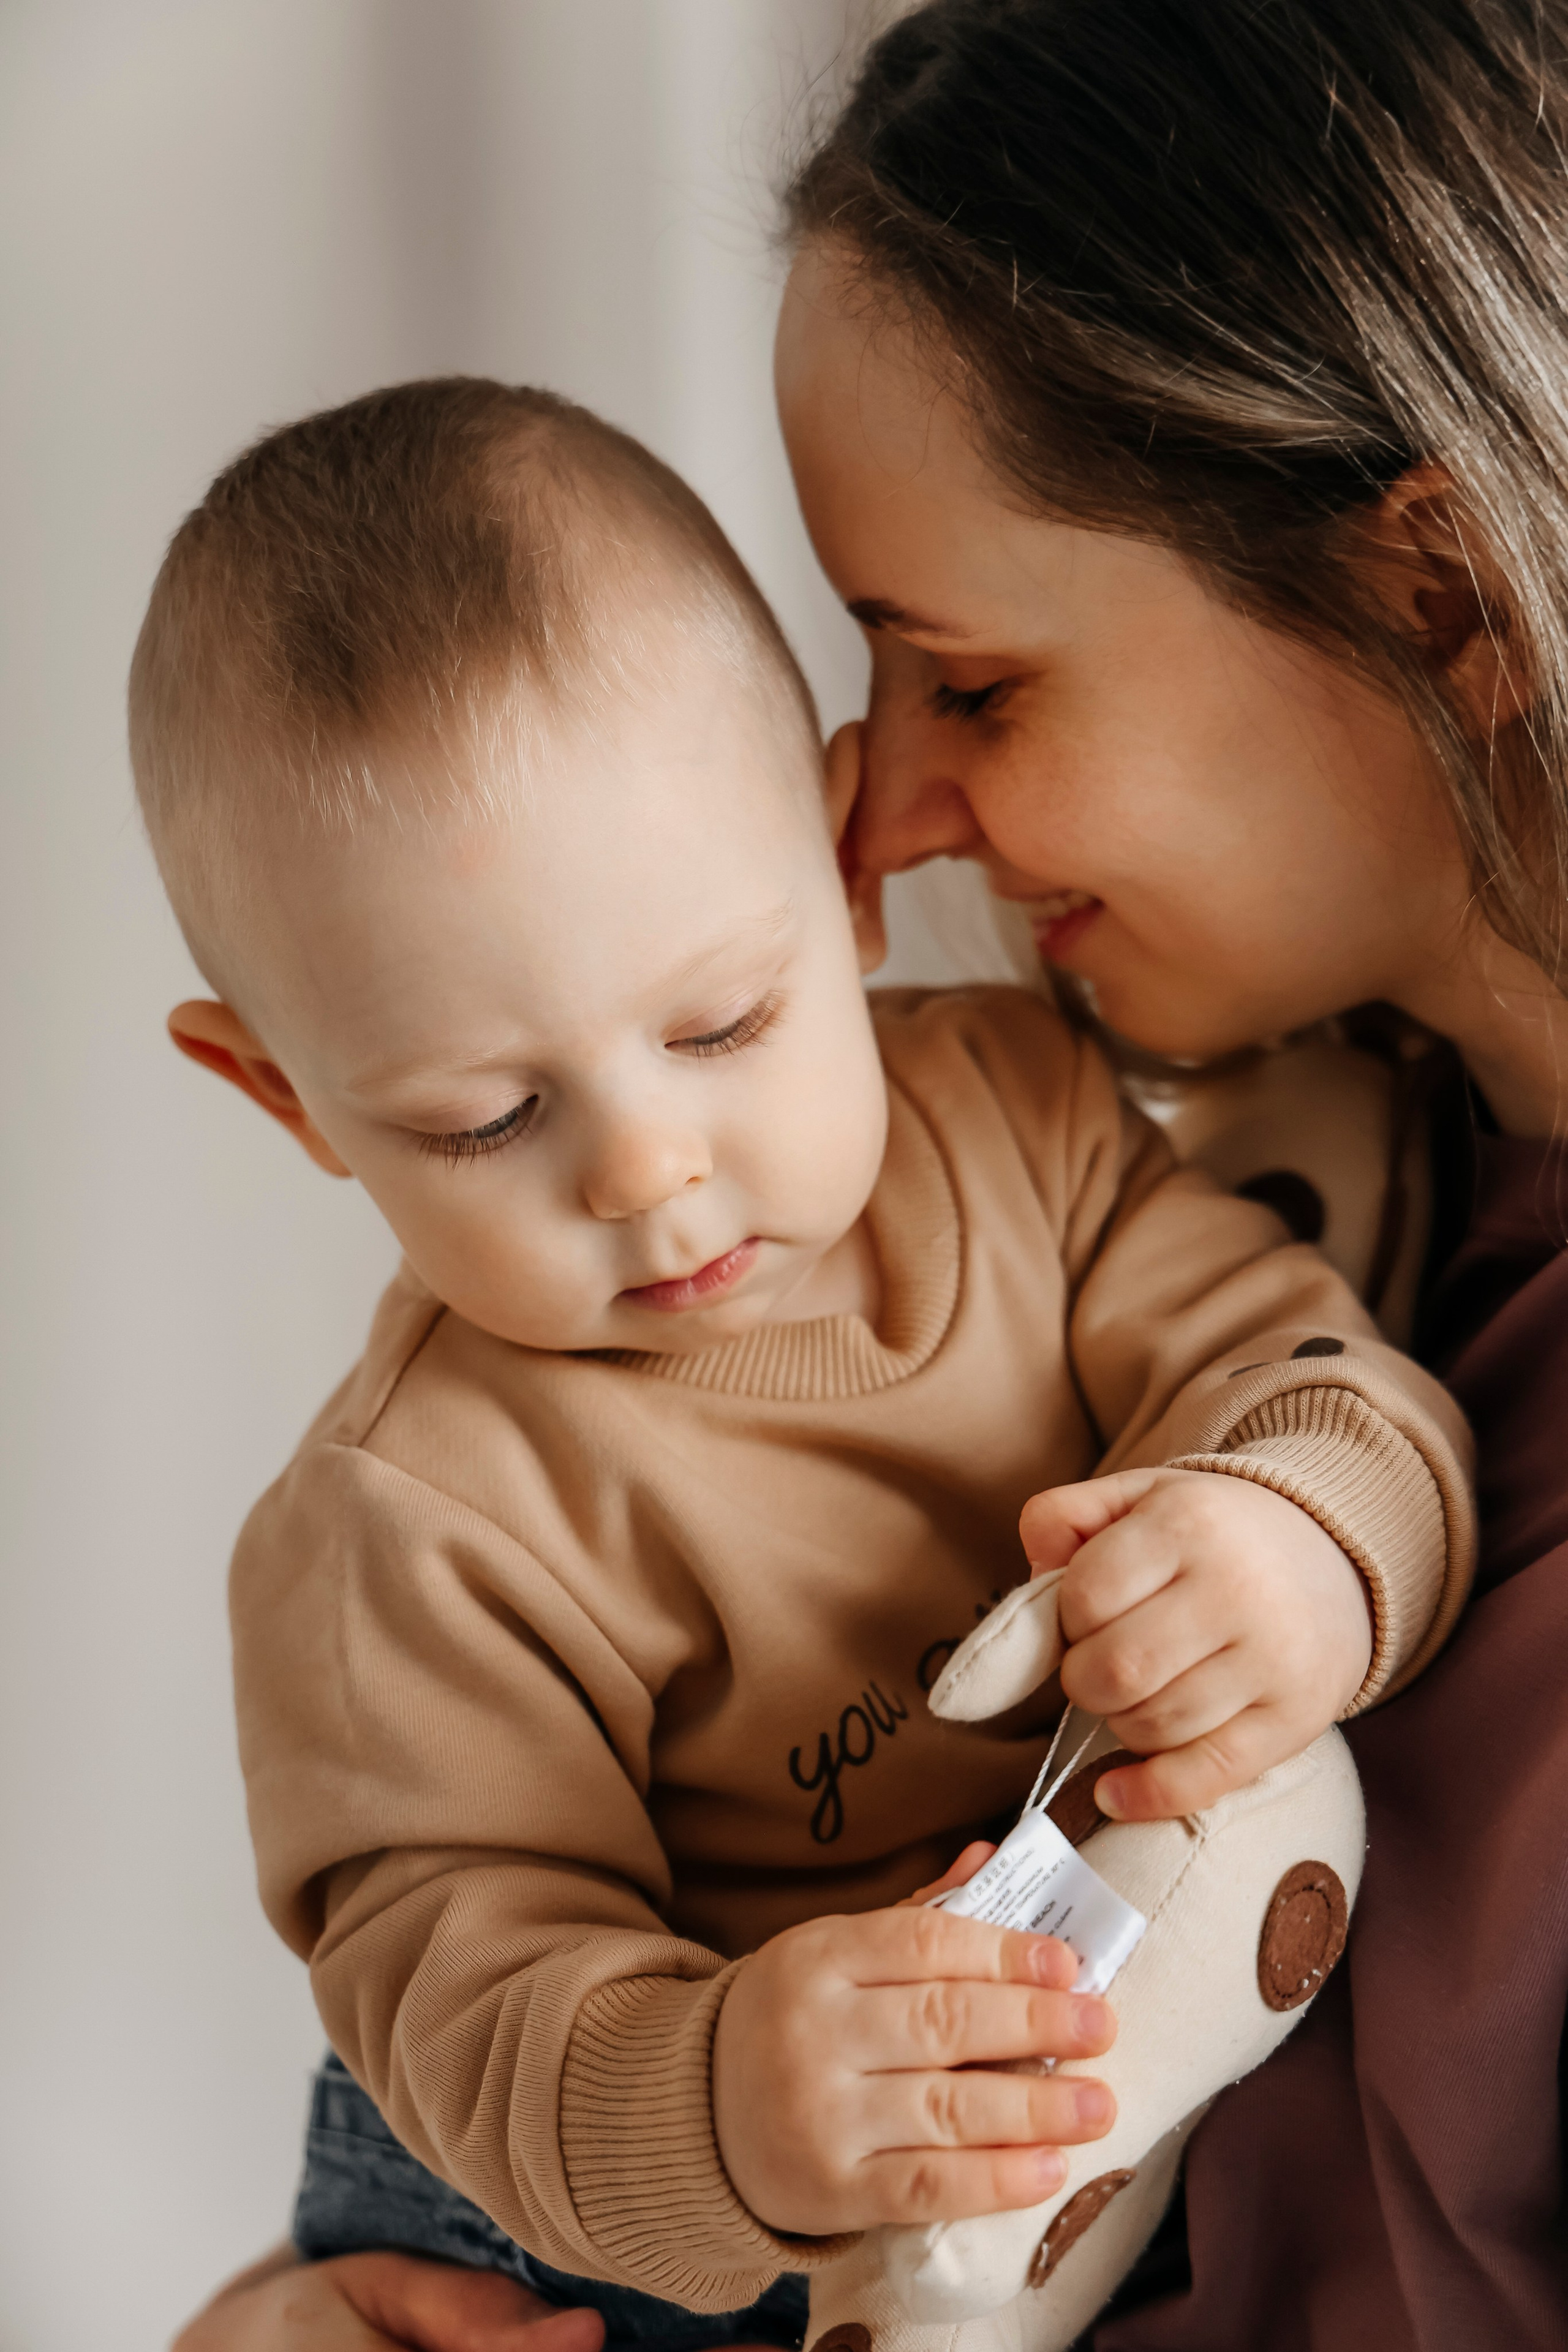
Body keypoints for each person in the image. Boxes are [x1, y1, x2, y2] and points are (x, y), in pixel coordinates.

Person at [173, 1, 1568, 2343]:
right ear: (297, 1103)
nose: (887, 817)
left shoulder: (1041, 1148)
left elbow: (1293, 1383)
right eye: (487, 1115)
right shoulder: (1354, 1153)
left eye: (976, 679)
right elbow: (461, 1981)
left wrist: (1298, 1538)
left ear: (1437, 596)